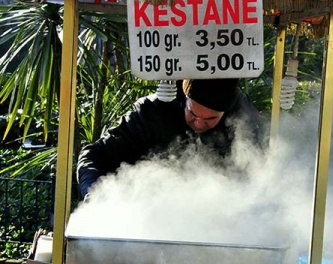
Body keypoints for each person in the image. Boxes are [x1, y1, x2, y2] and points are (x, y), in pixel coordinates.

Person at [77, 78, 261, 198]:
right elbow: (94, 155)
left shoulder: (242, 123)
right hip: (147, 218)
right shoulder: (150, 114)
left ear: (225, 114)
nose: (198, 123)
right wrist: (95, 195)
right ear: (184, 100)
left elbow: (254, 177)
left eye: (210, 119)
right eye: (192, 113)